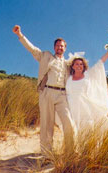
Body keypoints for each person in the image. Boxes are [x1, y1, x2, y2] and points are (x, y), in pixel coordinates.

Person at [12, 25, 75, 156]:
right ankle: (47, 155)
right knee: (47, 125)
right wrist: (20, 35)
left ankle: (70, 153)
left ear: (65, 48)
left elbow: (81, 71)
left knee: (69, 123)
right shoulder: (45, 56)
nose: (59, 48)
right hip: (47, 92)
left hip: (62, 95)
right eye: (57, 46)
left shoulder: (68, 64)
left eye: (62, 46)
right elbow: (32, 49)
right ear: (54, 48)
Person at [66, 48, 108, 138]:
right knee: (76, 129)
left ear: (84, 66)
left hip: (86, 106)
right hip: (73, 107)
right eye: (76, 64)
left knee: (90, 126)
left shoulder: (87, 75)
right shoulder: (68, 78)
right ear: (72, 66)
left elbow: (100, 63)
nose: (79, 66)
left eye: (81, 64)